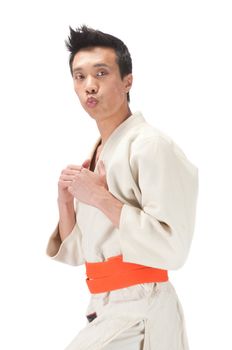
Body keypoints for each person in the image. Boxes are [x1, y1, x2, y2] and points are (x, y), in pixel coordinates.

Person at [46, 25, 198, 350]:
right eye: (80, 76)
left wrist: (99, 197)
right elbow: (82, 255)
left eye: (101, 73)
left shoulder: (151, 146)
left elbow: (174, 248)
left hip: (143, 309)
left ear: (127, 81)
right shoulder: (100, 151)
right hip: (105, 306)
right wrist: (65, 200)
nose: (90, 86)